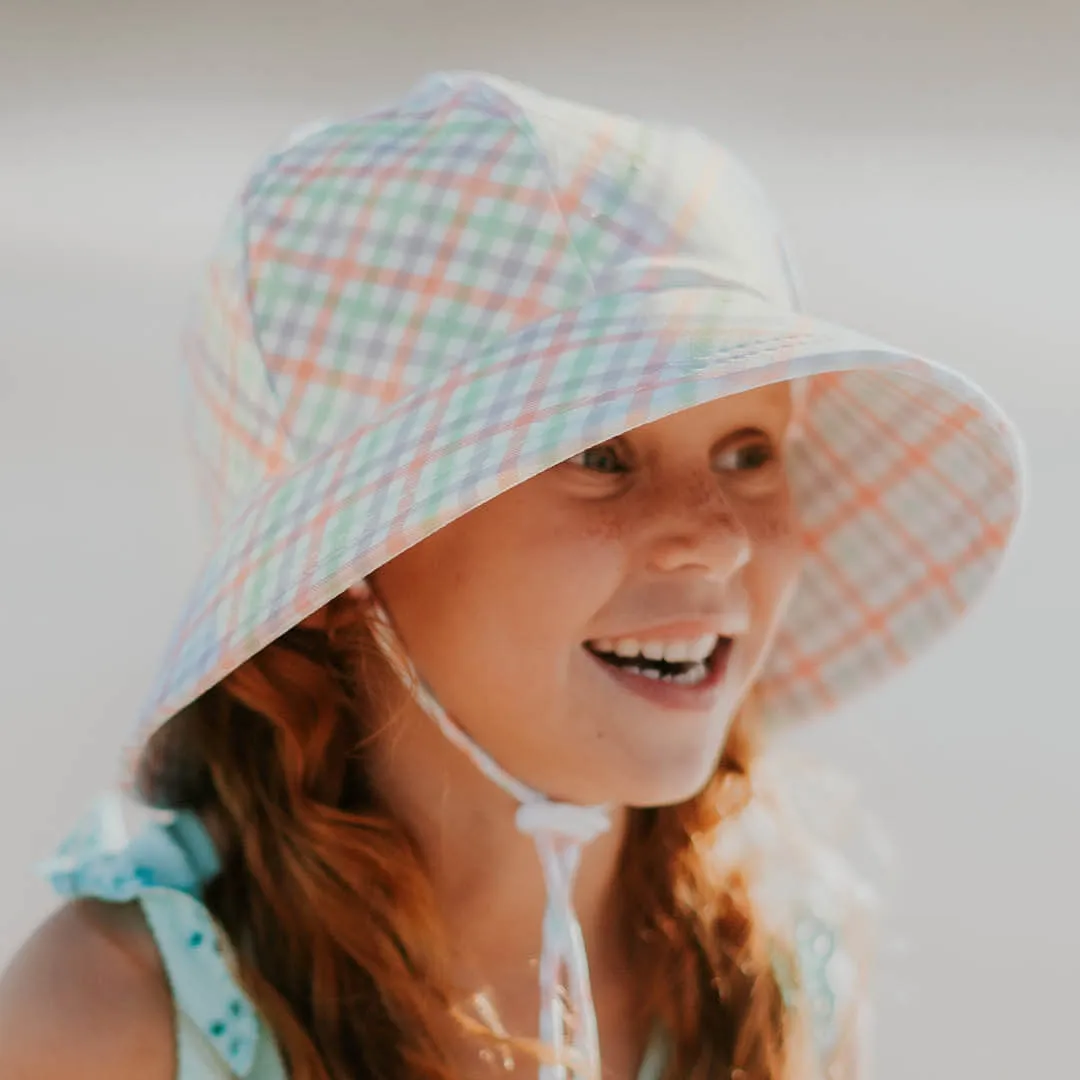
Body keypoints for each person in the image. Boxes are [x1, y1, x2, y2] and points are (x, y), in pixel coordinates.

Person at [0, 71, 1024, 1080]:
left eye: (748, 450)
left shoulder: (767, 974)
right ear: (350, 565)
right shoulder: (116, 1023)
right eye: (598, 455)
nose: (719, 539)